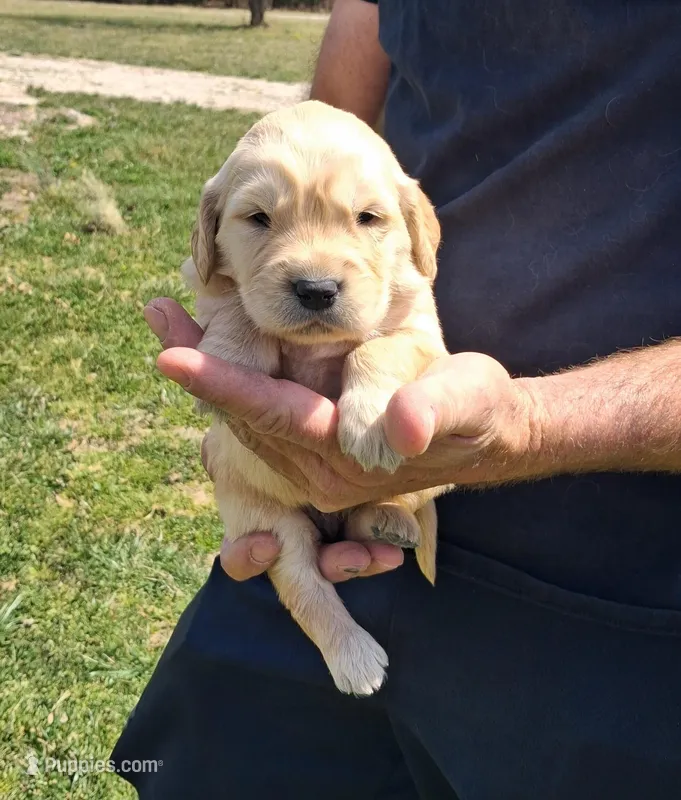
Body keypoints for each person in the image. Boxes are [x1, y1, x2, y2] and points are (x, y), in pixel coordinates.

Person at [112, 0, 681, 797]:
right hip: (325, 525)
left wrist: (536, 423)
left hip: (614, 579)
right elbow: (333, 125)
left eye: (369, 219)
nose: (314, 266)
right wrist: (256, 411)